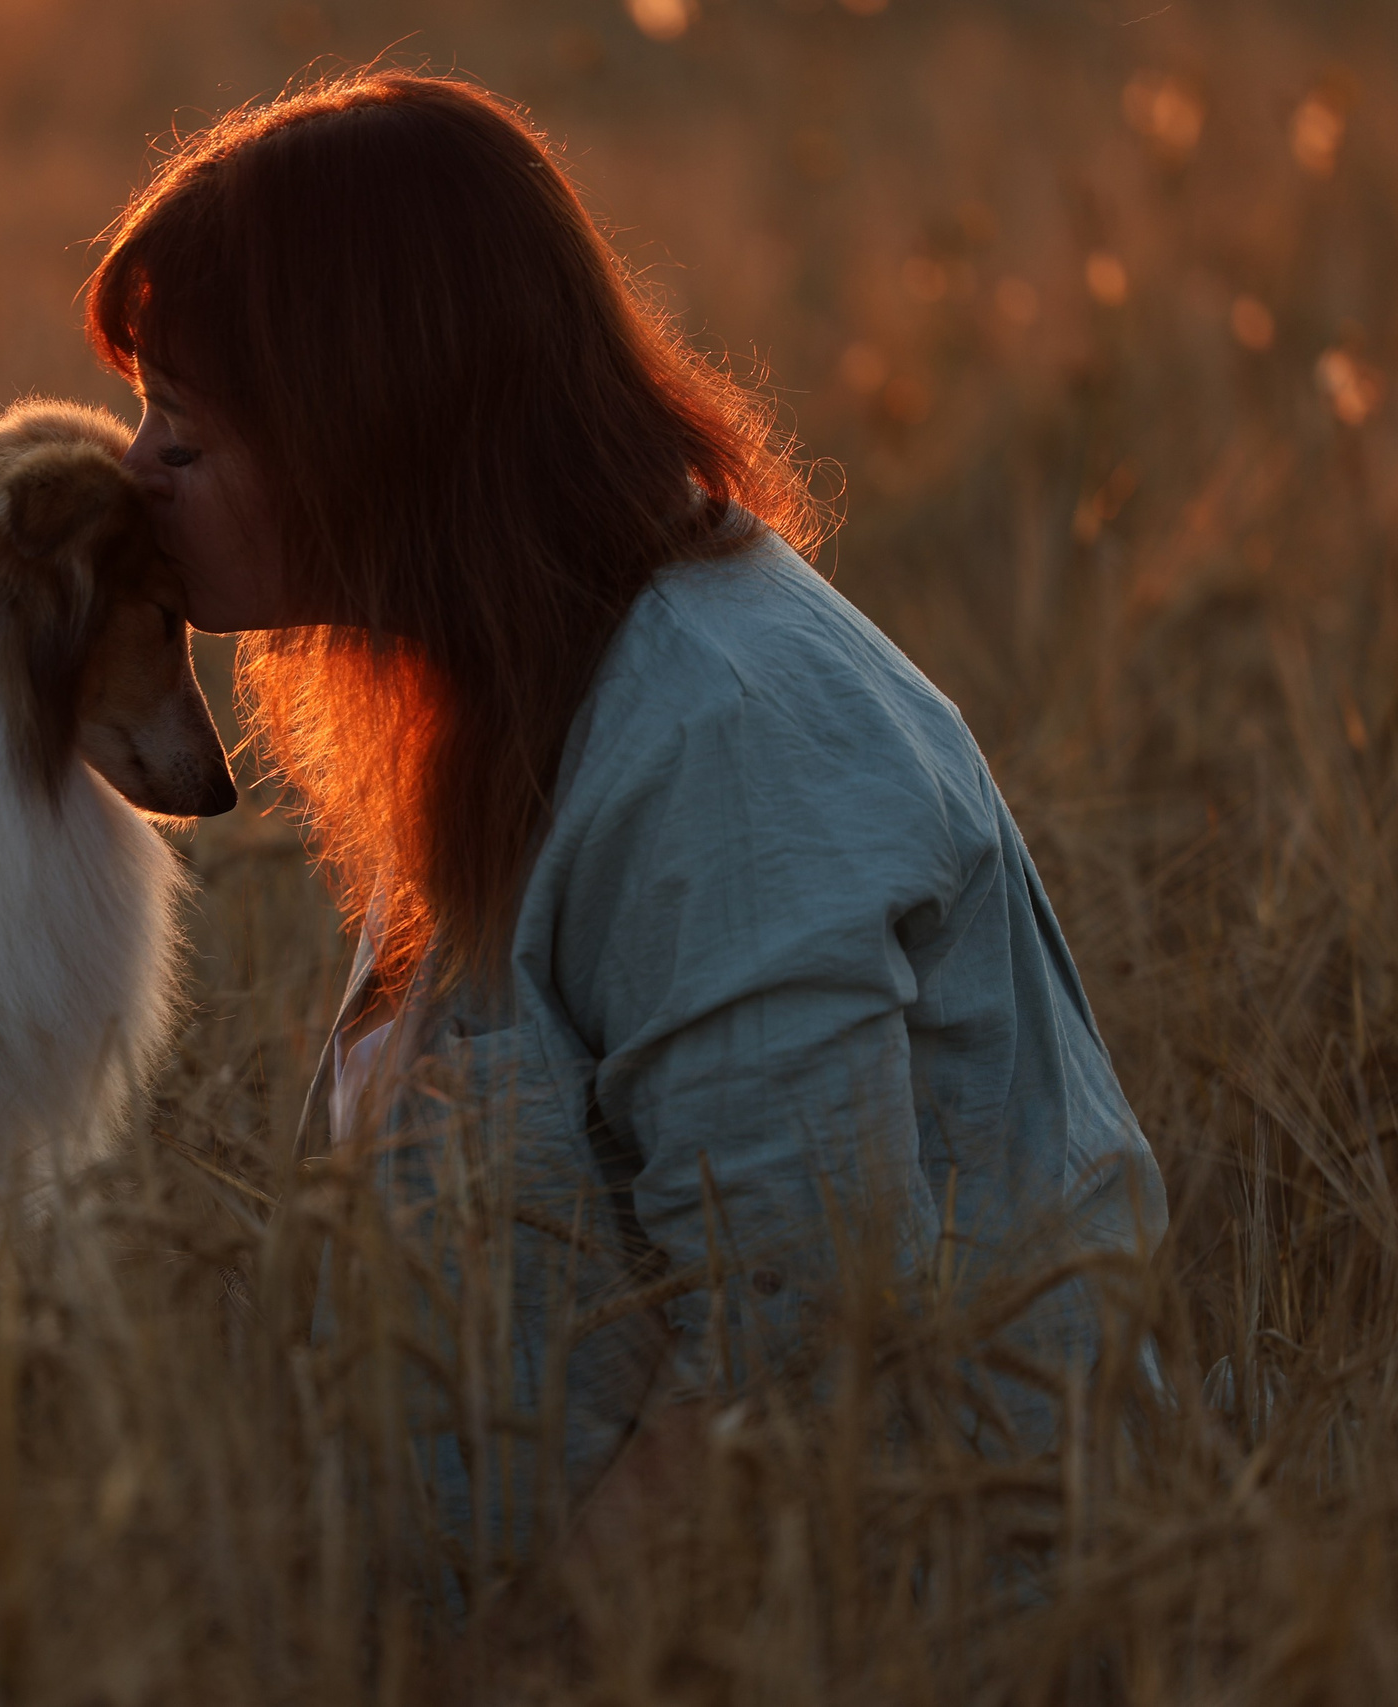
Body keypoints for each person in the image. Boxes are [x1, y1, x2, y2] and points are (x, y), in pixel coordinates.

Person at [86, 72, 1166, 1582]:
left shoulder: (725, 742)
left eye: (185, 436)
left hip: (857, 1632)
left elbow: (800, 1344)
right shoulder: (521, 673)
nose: (131, 475)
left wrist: (536, 1668)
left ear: (372, 433)